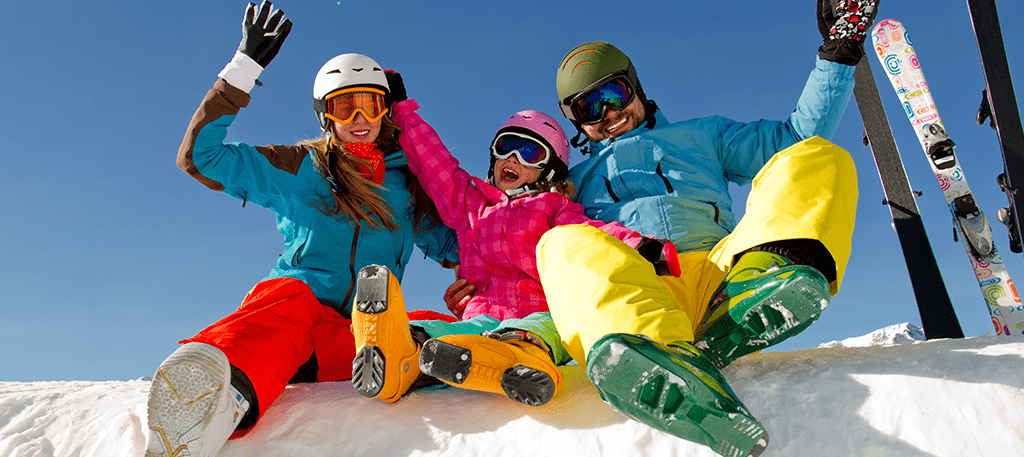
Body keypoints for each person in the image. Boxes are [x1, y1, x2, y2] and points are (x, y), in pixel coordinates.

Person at [444, 1, 877, 456]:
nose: (609, 113)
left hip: (723, 274)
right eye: (590, 108)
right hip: (643, 292)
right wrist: (480, 288)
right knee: (560, 241)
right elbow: (498, 236)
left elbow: (796, 135)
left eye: (614, 93)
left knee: (816, 156)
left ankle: (762, 286)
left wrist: (838, 54)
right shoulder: (573, 187)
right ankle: (654, 354)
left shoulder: (702, 136)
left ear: (635, 85)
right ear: (576, 123)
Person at [143, 3, 459, 457]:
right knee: (290, 296)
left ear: (386, 108)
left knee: (428, 323)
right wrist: (242, 69)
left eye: (370, 103)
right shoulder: (300, 167)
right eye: (344, 107)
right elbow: (201, 158)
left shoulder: (406, 184)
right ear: (325, 116)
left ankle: (444, 360)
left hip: (356, 343)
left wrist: (490, 267)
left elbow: (456, 246)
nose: (359, 119)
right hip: (288, 333)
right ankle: (217, 394)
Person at [349, 101, 681, 407]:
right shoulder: (472, 204)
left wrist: (644, 249)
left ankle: (525, 364)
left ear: (548, 171)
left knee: (543, 329)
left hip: (540, 312)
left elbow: (591, 236)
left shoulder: (553, 208)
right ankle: (399, 354)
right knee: (444, 332)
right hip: (482, 314)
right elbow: (437, 166)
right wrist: (403, 114)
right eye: (507, 147)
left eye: (529, 153)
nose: (513, 160)